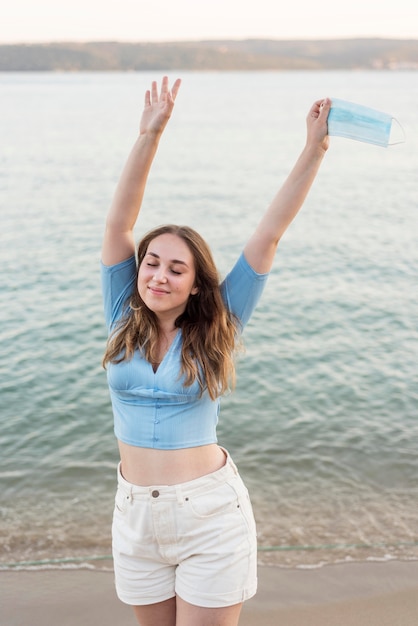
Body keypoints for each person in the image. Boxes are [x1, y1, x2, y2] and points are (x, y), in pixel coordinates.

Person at [101, 76, 330, 626]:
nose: (158, 274)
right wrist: (149, 135)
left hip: (208, 515)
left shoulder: (219, 323)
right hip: (134, 516)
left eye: (176, 268)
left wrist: (313, 149)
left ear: (197, 283)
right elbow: (119, 223)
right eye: (151, 262)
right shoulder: (121, 315)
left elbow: (268, 236)